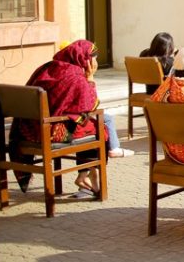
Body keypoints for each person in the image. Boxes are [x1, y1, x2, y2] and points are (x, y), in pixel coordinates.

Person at [10, 40, 133, 197]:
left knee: (89, 124)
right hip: (53, 132)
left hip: (28, 128)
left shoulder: (47, 67)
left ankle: (87, 176)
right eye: (93, 59)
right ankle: (87, 176)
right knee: (99, 128)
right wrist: (90, 79)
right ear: (84, 59)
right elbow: (90, 105)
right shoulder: (75, 77)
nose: (95, 63)